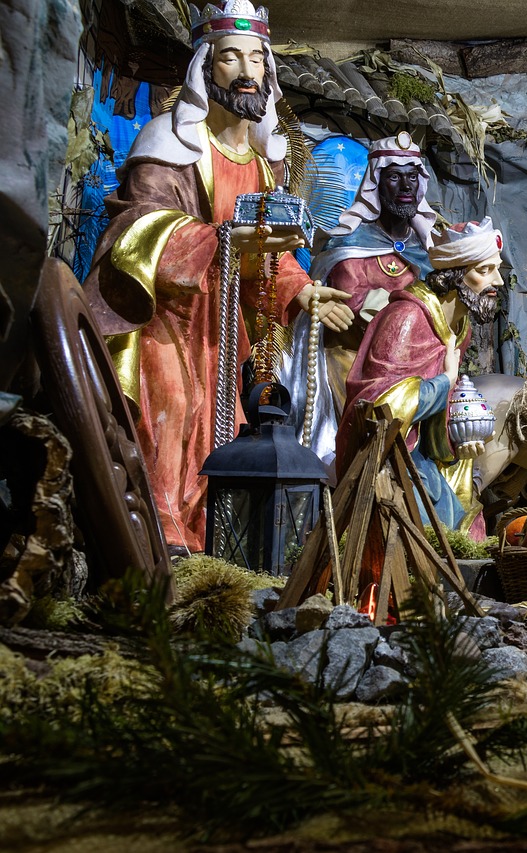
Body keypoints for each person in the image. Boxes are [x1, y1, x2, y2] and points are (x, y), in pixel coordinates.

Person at [82, 0, 354, 552]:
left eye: (257, 58)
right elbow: (139, 228)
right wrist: (225, 240)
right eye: (231, 57)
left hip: (223, 329)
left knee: (221, 425)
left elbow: (269, 254)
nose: (248, 71)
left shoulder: (265, 163)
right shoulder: (170, 142)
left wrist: (302, 290)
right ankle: (158, 535)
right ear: (206, 69)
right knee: (172, 409)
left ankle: (206, 540)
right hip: (165, 318)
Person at [337, 218, 505, 538]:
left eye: (496, 269)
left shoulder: (459, 328)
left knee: (464, 528)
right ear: (454, 276)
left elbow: (438, 412)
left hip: (426, 460)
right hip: (391, 463)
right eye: (484, 270)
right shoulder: (406, 318)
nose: (497, 280)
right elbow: (380, 407)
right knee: (426, 534)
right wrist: (445, 381)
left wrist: (460, 435)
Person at [308, 131, 439, 411]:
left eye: (412, 177)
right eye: (394, 177)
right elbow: (350, 307)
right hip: (355, 366)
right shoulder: (349, 244)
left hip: (418, 368)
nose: (406, 186)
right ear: (376, 183)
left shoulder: (427, 247)